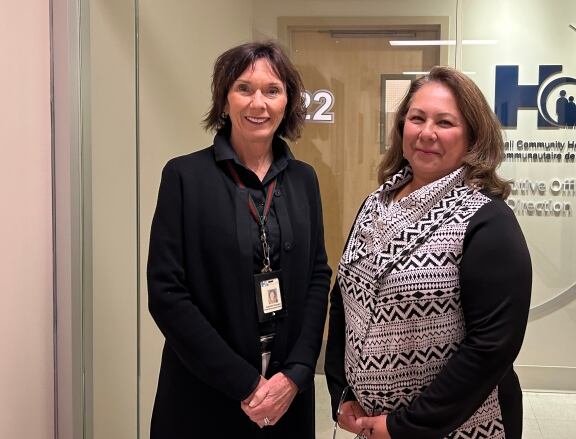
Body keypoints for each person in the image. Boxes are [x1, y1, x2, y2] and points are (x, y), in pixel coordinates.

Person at [325, 66, 532, 439]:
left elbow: (491, 348)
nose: (427, 133)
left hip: (458, 428)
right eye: (417, 118)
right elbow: (343, 298)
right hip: (371, 424)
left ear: (472, 135)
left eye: (445, 122)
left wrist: (406, 425)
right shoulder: (375, 204)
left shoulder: (488, 221)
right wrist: (341, 391)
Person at [147, 41, 331, 438]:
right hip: (205, 393)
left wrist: (297, 373)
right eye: (244, 88)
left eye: (272, 90)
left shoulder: (304, 179)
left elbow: (318, 276)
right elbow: (166, 293)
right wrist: (247, 384)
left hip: (287, 399)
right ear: (224, 99)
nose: (258, 103)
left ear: (288, 103)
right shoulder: (184, 177)